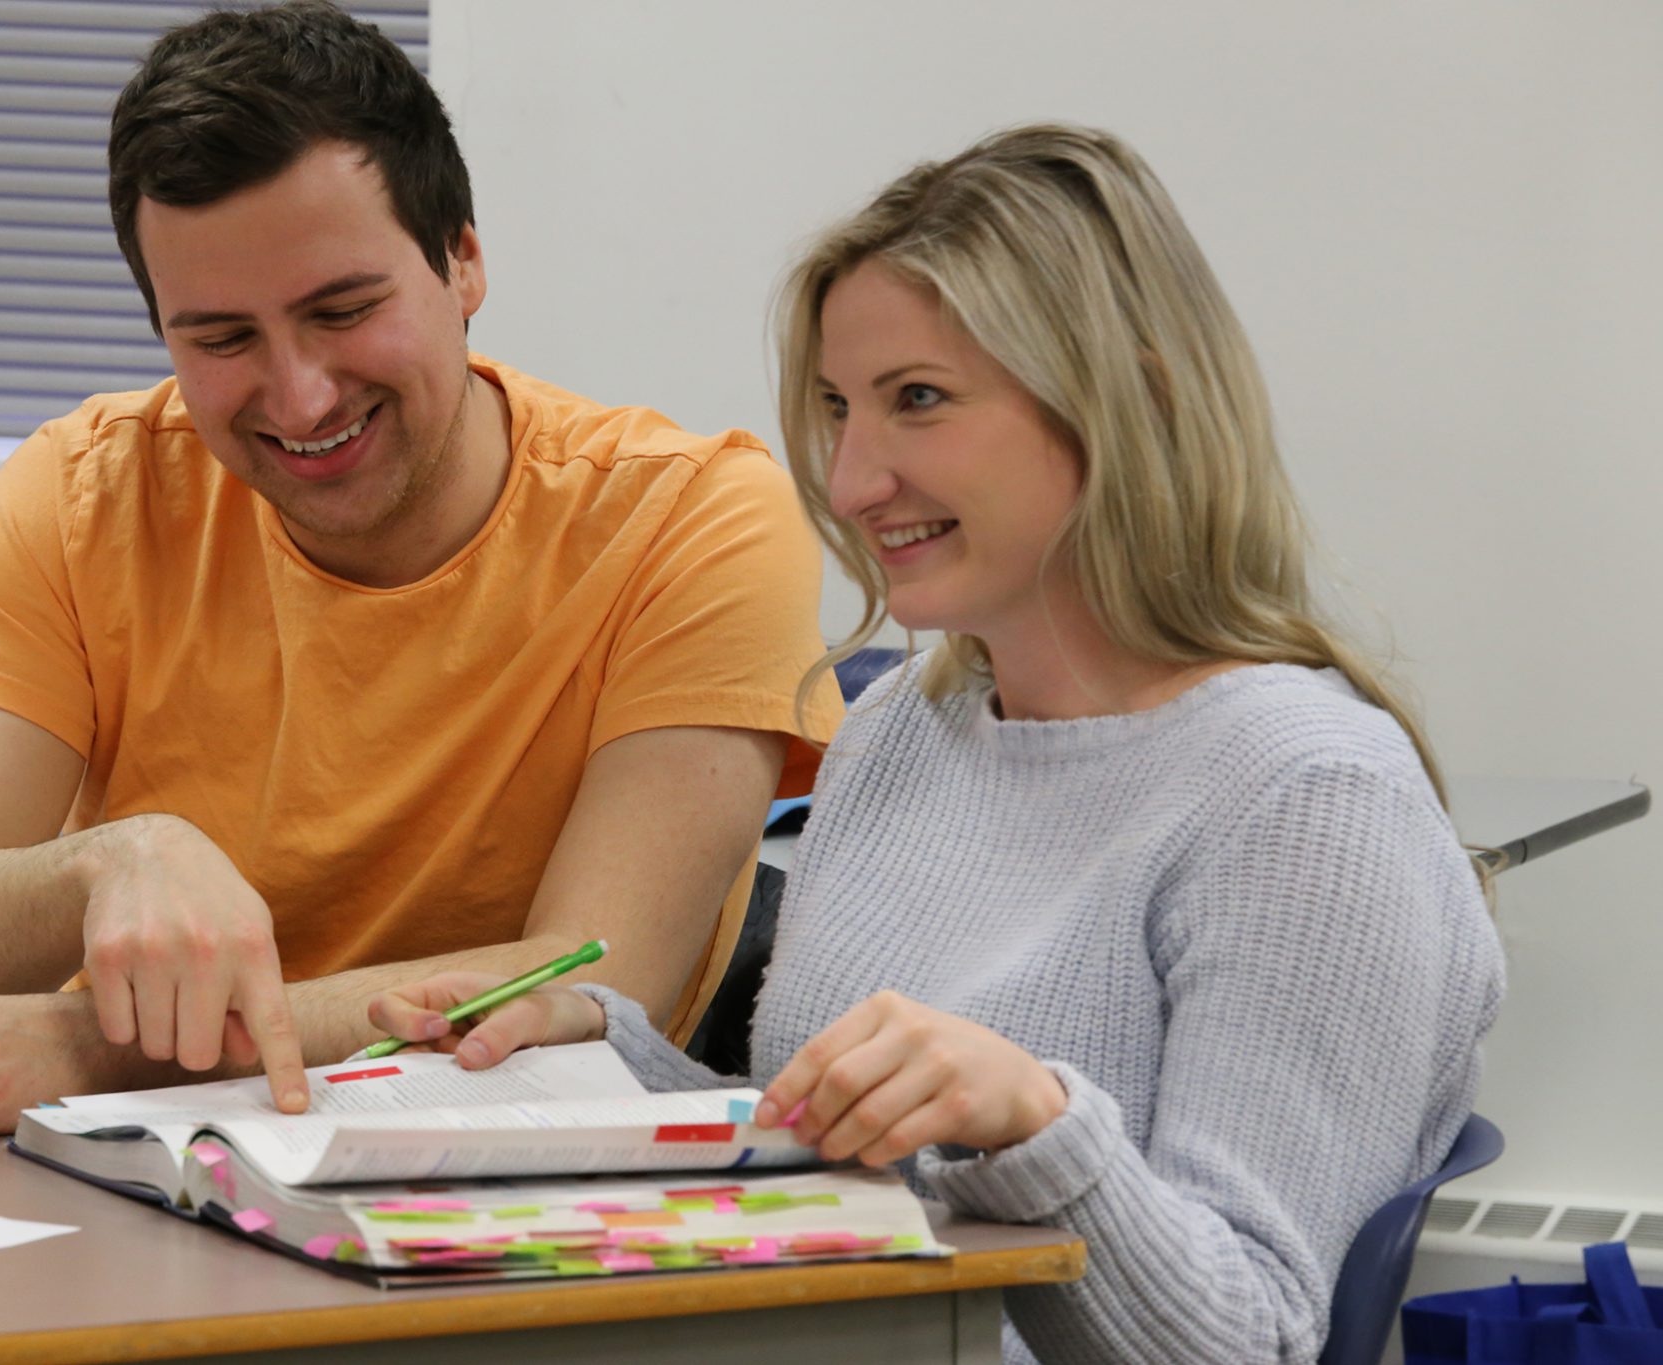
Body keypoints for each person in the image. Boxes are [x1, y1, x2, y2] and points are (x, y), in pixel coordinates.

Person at [369, 124, 1506, 1364]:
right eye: (836, 410)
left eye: (917, 401)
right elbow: (835, 1171)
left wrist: (1033, 1122)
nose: (853, 480)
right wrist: (598, 1050)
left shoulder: (1306, 797)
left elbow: (1250, 1338)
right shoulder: (900, 729)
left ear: (1127, 396)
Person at [0, 1, 841, 1148]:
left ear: (462, 261)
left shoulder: (690, 519)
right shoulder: (79, 491)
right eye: (220, 340)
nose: (299, 397)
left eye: (342, 311)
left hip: (477, 1175)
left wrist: (95, 1050)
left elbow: (592, 987)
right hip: (107, 1164)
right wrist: (113, 859)